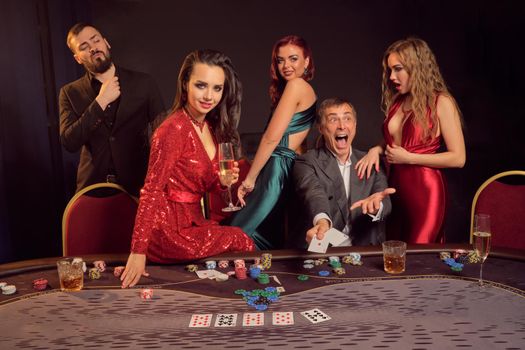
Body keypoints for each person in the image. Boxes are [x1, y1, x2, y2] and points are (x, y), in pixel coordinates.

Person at [121, 50, 255, 288]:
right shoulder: (172, 130)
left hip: (192, 223)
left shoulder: (211, 127)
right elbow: (151, 190)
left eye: (217, 88)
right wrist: (138, 251)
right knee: (239, 238)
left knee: (238, 239)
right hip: (165, 231)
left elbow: (199, 183)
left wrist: (221, 181)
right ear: (185, 85)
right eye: (201, 85)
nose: (209, 96)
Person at [355, 37, 466, 243]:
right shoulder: (399, 101)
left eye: (398, 69)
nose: (392, 76)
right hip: (395, 190)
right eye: (389, 70)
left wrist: (409, 157)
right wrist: (375, 150)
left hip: (426, 192)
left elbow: (458, 158)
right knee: (394, 254)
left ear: (417, 67)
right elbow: (392, 138)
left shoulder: (441, 102)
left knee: (417, 256)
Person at [230, 35, 317, 250]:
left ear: (306, 62)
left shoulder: (297, 85)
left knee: (242, 232)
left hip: (276, 169)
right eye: (280, 60)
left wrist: (249, 180)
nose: (286, 65)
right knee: (260, 233)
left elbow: (271, 138)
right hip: (281, 168)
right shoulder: (302, 89)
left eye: (293, 59)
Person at [59, 23, 165, 196]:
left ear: (106, 43)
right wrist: (101, 102)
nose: (93, 48)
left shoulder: (144, 83)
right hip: (92, 189)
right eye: (84, 47)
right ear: (78, 58)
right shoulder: (69, 92)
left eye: (96, 40)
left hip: (140, 187)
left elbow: (164, 135)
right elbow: (69, 142)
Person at [291, 98, 394, 247]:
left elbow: (385, 201)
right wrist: (322, 221)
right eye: (333, 119)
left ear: (355, 125)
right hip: (324, 248)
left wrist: (378, 206)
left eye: (347, 118)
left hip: (365, 250)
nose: (341, 126)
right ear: (320, 127)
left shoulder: (371, 161)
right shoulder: (306, 162)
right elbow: (313, 193)